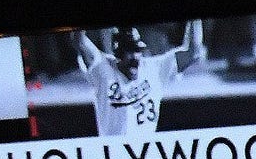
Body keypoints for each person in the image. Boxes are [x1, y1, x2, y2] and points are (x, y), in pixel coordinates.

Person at [75, 22, 203, 140]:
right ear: (117, 54)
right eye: (129, 51)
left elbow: (193, 52)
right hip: (114, 154)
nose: (135, 56)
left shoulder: (154, 68)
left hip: (145, 152)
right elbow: (79, 40)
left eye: (137, 50)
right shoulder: (102, 68)